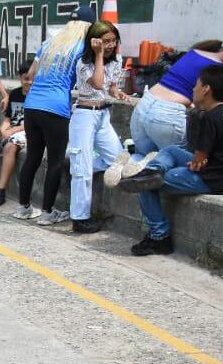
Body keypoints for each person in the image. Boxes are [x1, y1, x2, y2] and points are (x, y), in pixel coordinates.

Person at [118, 65, 223, 256]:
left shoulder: (211, 118)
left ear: (206, 89)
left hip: (218, 179)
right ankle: (153, 170)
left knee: (143, 184)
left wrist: (194, 164)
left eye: (196, 85)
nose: (192, 89)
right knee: (172, 151)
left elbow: (198, 161)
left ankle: (159, 237)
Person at [11, 7, 93, 225]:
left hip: (32, 106)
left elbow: (31, 75)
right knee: (55, 161)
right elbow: (85, 80)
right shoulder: (83, 47)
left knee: (33, 157)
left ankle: (24, 207)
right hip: (56, 108)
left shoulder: (49, 43)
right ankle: (47, 212)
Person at [124, 37, 223, 172]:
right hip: (167, 115)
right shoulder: (218, 69)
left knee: (143, 160)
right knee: (175, 165)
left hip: (143, 106)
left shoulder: (195, 52)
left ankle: (126, 163)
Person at [66, 21, 129, 234]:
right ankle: (80, 218)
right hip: (84, 115)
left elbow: (109, 86)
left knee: (118, 159)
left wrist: (118, 93)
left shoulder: (117, 60)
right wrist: (99, 54)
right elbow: (97, 82)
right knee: (82, 172)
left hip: (103, 115)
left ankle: (79, 163)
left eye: (113, 41)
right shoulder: (83, 62)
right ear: (94, 41)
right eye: (106, 41)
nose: (110, 45)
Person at [0, 60, 32, 208]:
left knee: (10, 147)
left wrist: (11, 131)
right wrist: (3, 130)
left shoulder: (38, 97)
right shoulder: (15, 94)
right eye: (26, 78)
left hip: (26, 132)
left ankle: (1, 190)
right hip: (13, 130)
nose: (29, 82)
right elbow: (8, 119)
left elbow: (32, 124)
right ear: (20, 77)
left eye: (33, 79)